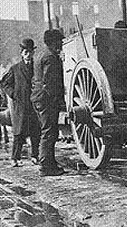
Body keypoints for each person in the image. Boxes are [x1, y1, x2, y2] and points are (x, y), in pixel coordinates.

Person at [31, 30, 66, 176]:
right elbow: (49, 82)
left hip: (38, 97)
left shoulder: (40, 55)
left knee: (48, 131)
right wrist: (57, 100)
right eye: (59, 41)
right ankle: (45, 166)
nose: (61, 44)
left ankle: (49, 162)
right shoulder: (51, 57)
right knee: (49, 132)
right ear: (53, 42)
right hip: (47, 99)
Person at [0, 39, 40, 167]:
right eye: (26, 52)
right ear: (22, 53)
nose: (28, 54)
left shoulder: (37, 67)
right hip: (21, 105)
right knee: (19, 132)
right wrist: (13, 94)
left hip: (34, 104)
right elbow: (4, 83)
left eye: (30, 52)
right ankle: (15, 158)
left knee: (35, 132)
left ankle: (35, 156)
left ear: (33, 52)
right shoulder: (15, 68)